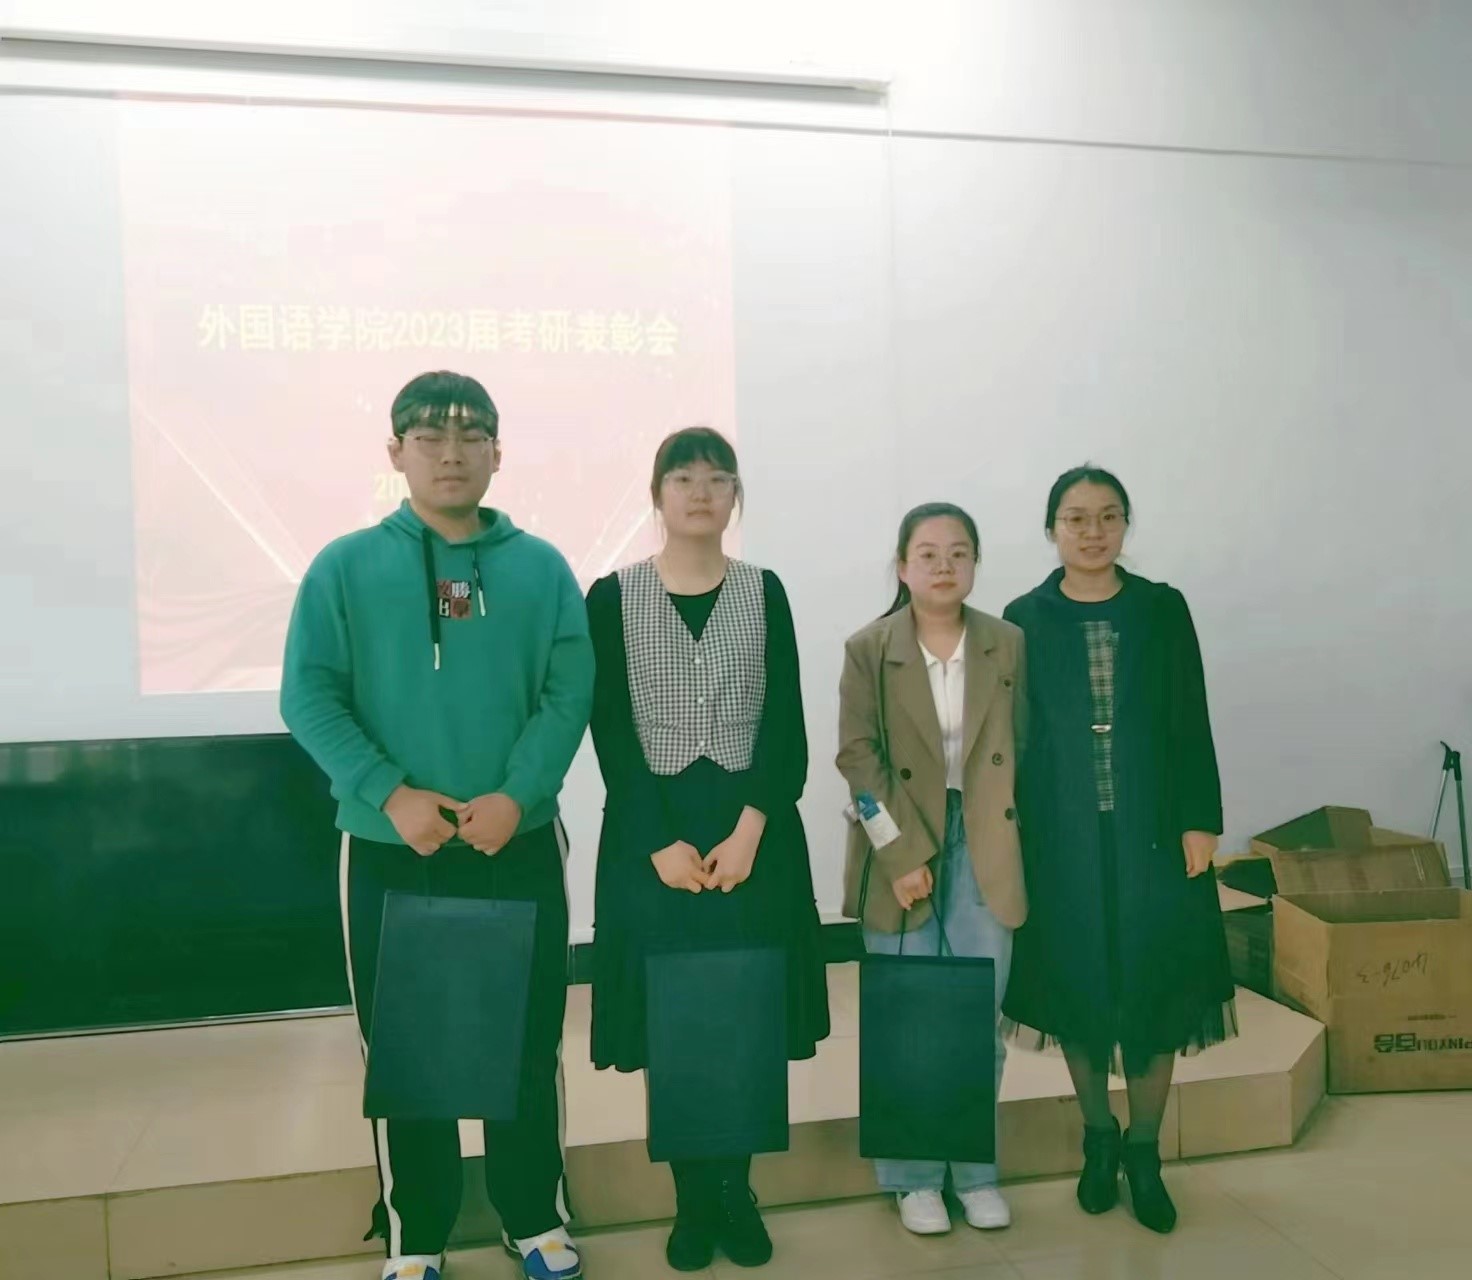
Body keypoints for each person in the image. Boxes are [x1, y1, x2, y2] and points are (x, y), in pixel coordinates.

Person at [280, 371, 594, 1280]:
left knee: (527, 1036)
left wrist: (518, 796)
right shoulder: (345, 567)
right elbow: (309, 695)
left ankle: (533, 1217)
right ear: (396, 452)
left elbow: (568, 690)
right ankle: (415, 1234)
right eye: (428, 437)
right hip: (392, 844)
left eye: (470, 437)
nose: (450, 454)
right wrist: (391, 793)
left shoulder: (541, 568)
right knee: (404, 1046)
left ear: (498, 452)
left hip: (516, 838)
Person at [584, 427, 830, 1272]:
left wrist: (754, 826)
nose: (700, 492)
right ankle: (692, 1199)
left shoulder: (766, 591)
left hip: (753, 831)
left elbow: (786, 722)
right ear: (658, 494)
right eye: (683, 478)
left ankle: (736, 1191)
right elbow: (610, 729)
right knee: (675, 1022)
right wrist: (658, 841)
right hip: (650, 833)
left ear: (735, 497)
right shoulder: (612, 596)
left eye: (717, 479)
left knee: (744, 1018)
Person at [1000, 465, 1237, 1235]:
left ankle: (1144, 1151)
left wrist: (1201, 819)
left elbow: (1191, 715)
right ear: (1051, 530)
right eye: (1076, 518)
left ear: (1126, 525)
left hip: (1155, 834)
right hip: (1060, 837)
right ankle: (1098, 1137)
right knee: (1078, 988)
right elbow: (1015, 737)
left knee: (1155, 989)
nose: (1092, 531)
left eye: (1108, 516)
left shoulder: (1162, 609)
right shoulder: (1023, 618)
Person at [836, 503, 1027, 1237]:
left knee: (978, 1015)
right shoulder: (869, 647)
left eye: (958, 553)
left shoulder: (1007, 643)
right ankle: (913, 1178)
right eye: (928, 553)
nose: (944, 566)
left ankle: (974, 1171)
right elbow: (857, 758)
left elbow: (1026, 745)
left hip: (987, 839)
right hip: (901, 841)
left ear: (975, 563)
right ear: (902, 566)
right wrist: (901, 855)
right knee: (907, 1017)